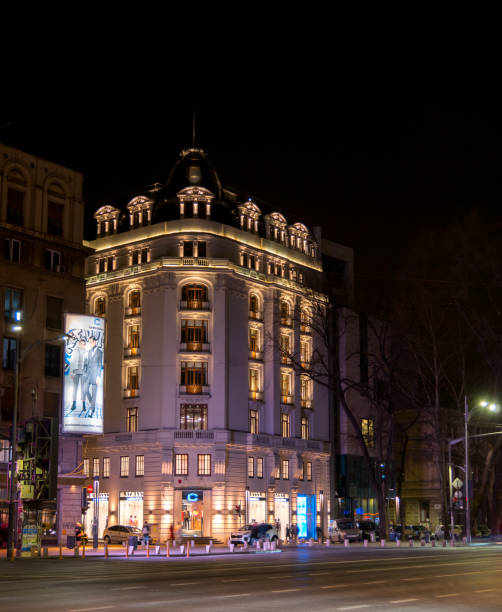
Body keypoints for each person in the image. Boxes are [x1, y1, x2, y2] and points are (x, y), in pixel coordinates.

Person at [82, 336, 103, 417]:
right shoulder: (89, 351)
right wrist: (85, 372)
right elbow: (87, 363)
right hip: (88, 375)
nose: (90, 343)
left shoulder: (100, 352)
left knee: (94, 393)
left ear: (94, 342)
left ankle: (91, 410)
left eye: (91, 342)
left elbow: (100, 365)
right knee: (85, 390)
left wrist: (98, 377)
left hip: (95, 376)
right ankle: (92, 404)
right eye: (89, 342)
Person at [70, 339, 87, 412]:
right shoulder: (75, 351)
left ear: (85, 345)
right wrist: (71, 372)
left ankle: (83, 404)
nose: (82, 345)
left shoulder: (87, 352)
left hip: (83, 372)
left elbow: (88, 363)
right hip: (76, 371)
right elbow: (72, 361)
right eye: (81, 343)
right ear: (79, 344)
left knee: (83, 389)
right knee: (75, 388)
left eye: (83, 344)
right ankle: (74, 403)